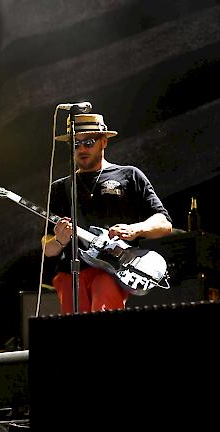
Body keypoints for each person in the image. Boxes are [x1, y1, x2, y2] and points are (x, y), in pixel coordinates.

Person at [42, 113, 172, 314]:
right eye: (76, 144)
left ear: (104, 142)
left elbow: (164, 224)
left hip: (112, 271)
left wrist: (135, 229)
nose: (82, 149)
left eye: (89, 142)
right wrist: (59, 241)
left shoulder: (129, 175)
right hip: (70, 275)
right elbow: (48, 249)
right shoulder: (60, 188)